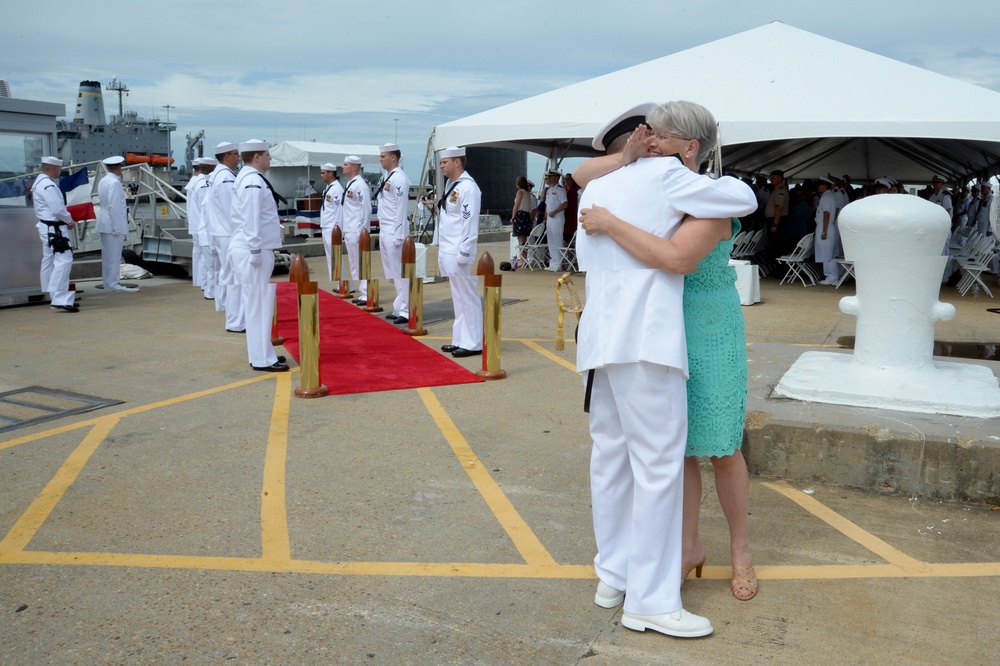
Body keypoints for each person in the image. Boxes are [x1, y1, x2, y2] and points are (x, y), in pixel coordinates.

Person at [573, 101, 757, 638]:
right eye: (648, 134)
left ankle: (614, 575)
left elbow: (583, 176)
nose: (650, 140)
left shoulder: (605, 186)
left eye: (659, 133)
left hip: (604, 335)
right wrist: (666, 158)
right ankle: (650, 601)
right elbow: (741, 197)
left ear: (686, 141)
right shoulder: (673, 180)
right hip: (647, 337)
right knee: (658, 467)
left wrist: (627, 164)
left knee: (611, 456)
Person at [229, 140, 288, 372]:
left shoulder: (248, 178)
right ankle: (262, 358)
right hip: (253, 250)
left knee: (259, 304)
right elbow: (251, 218)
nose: (269, 159)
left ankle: (263, 352)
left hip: (254, 248)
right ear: (256, 157)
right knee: (258, 306)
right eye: (267, 155)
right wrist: (255, 250)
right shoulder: (252, 181)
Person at [435, 146, 483, 358]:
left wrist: (465, 251)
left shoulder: (468, 188)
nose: (441, 165)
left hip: (458, 250)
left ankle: (474, 343)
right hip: (447, 248)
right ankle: (460, 339)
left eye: (445, 162)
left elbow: (469, 221)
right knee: (458, 297)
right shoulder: (451, 185)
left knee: (467, 296)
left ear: (457, 162)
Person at [32, 156, 78, 312]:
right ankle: (60, 299)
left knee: (49, 261)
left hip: (47, 228)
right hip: (55, 229)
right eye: (59, 169)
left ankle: (54, 295)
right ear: (54, 169)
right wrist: (70, 221)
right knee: (64, 261)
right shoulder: (48, 186)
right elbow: (58, 209)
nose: (59, 171)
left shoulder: (39, 183)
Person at [207, 142, 244, 332]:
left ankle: (226, 308)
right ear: (227, 156)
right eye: (236, 154)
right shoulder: (226, 178)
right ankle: (236, 321)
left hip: (221, 232)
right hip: (229, 233)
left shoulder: (217, 175)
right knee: (236, 277)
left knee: (227, 274)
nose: (239, 157)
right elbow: (233, 211)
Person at [375, 143, 413, 324]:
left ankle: (406, 310)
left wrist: (399, 235)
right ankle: (399, 306)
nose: (380, 159)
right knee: (392, 273)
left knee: (400, 272)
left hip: (394, 231)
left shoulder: (399, 179)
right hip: (385, 229)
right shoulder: (387, 176)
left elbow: (400, 208)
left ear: (393, 157)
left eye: (383, 156)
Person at [96, 155, 138, 293]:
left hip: (105, 221)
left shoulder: (104, 180)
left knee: (108, 256)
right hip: (113, 224)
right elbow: (114, 206)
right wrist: (117, 227)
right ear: (118, 167)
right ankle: (113, 284)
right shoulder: (114, 183)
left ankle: (108, 283)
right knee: (113, 256)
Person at [337, 155, 371, 306]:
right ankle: (363, 292)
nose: (343, 167)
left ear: (354, 167)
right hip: (349, 230)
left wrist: (361, 230)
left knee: (361, 263)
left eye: (346, 165)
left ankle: (366, 293)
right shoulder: (351, 184)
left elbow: (366, 209)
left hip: (356, 231)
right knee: (354, 264)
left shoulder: (360, 185)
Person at [318, 162, 344, 284]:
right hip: (326, 226)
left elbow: (339, 211)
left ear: (330, 173)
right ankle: (338, 282)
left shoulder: (337, 189)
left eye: (323, 173)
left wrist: (337, 230)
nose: (321, 175)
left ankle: (343, 284)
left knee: (336, 257)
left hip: (333, 228)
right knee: (330, 258)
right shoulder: (328, 188)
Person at [814, 177, 840, 284]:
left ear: (825, 185)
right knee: (827, 253)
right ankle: (831, 276)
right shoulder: (826, 196)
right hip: (826, 226)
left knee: (827, 254)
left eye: (820, 184)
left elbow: (827, 215)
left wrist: (824, 231)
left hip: (826, 227)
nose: (818, 187)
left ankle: (831, 276)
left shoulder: (827, 197)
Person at [543, 170, 568, 271]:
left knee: (557, 239)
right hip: (549, 218)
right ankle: (553, 262)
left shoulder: (560, 190)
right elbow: (547, 205)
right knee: (551, 240)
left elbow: (565, 204)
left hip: (557, 217)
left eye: (551, 177)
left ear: (556, 178)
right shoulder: (549, 190)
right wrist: (545, 217)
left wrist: (555, 212)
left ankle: (558, 262)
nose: (548, 179)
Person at [510, 176, 535, 266]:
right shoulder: (528, 194)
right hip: (526, 216)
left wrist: (513, 217)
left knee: (520, 238)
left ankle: (522, 259)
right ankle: (524, 258)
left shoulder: (520, 192)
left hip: (520, 215)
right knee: (524, 239)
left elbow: (516, 206)